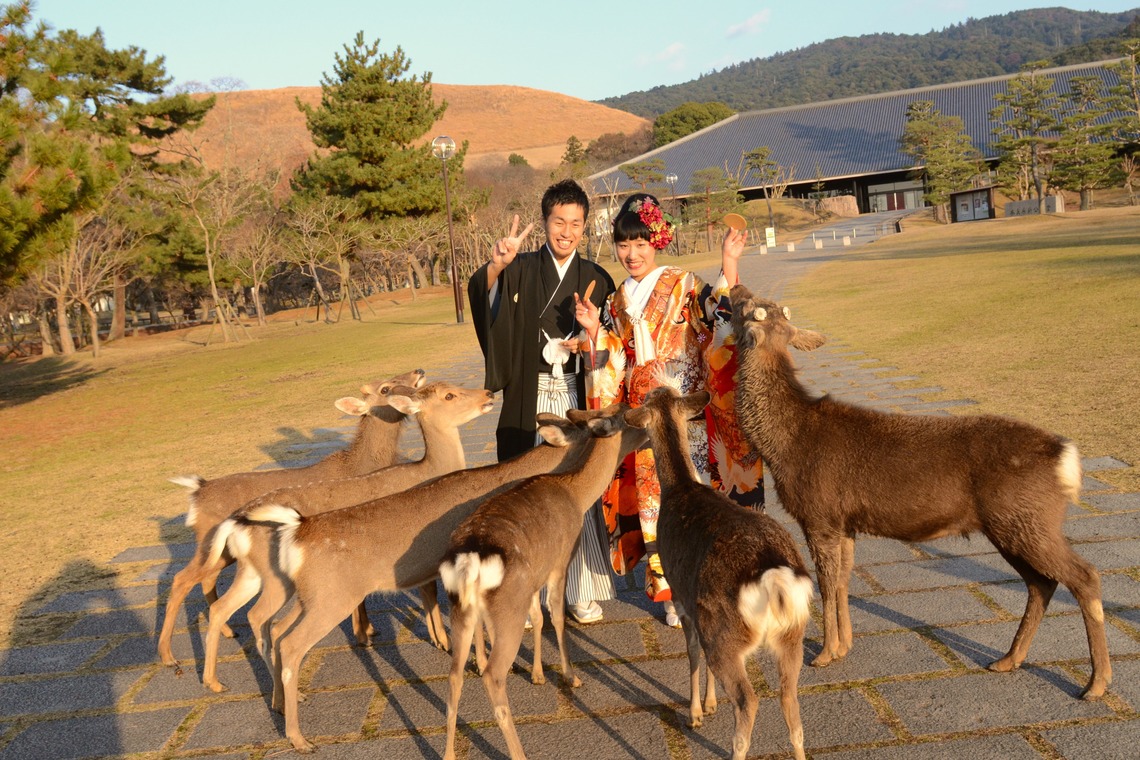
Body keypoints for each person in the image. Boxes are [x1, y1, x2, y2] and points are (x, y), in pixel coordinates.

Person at [574, 192, 763, 628]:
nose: (632, 254)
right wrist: (593, 331)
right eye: (624, 245)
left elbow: (716, 317)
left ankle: (710, 580)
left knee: (698, 496)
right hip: (647, 421)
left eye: (641, 244)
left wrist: (729, 262)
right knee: (654, 505)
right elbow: (613, 357)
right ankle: (670, 591)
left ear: (656, 242)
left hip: (687, 415)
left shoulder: (683, 284)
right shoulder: (616, 301)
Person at [467, 179, 617, 624]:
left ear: (585, 226)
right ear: (545, 221)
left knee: (578, 489)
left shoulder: (597, 278)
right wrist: (495, 268)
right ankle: (524, 594)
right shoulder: (519, 267)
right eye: (558, 222)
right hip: (529, 394)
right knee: (524, 492)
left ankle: (580, 588)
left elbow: (612, 347)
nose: (566, 232)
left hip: (576, 394)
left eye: (575, 223)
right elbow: (483, 301)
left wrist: (590, 340)